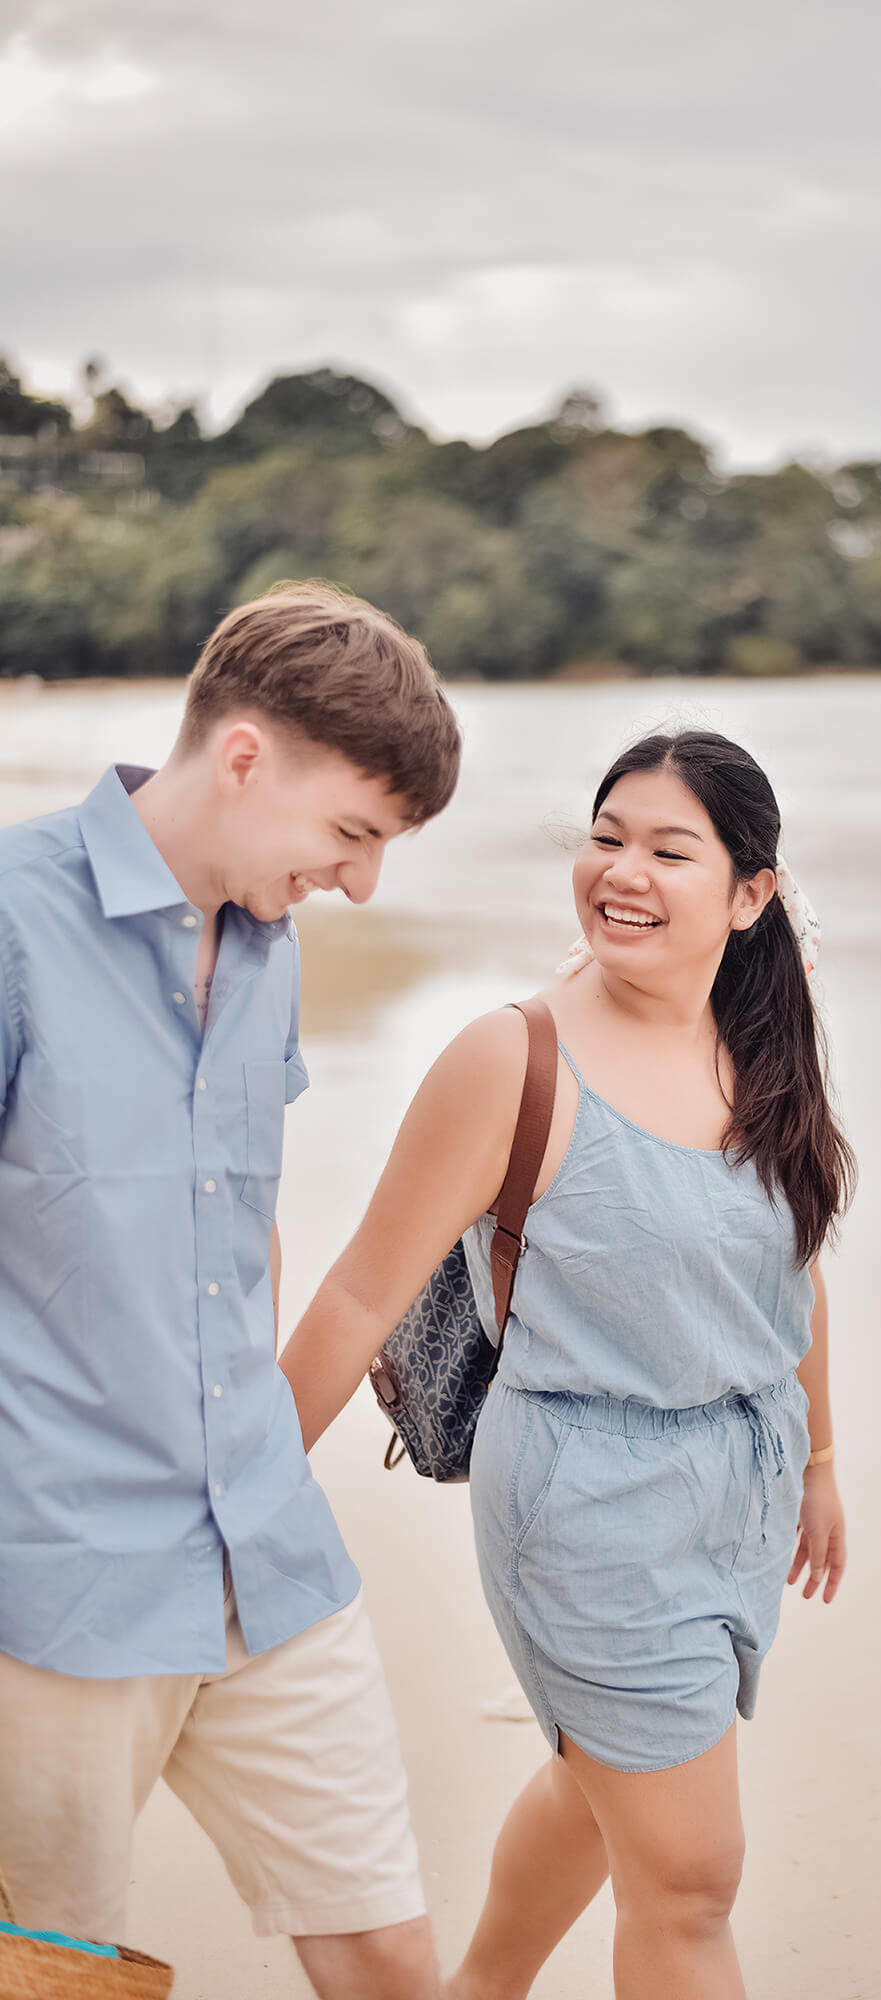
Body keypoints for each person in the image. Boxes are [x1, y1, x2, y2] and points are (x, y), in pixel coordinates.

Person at [280, 727, 855, 2000]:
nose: (622, 872)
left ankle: (477, 1989)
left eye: (667, 848)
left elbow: (792, 1261)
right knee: (692, 1876)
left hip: (740, 1487)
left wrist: (816, 1455)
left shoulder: (760, 1045)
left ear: (750, 894)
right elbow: (361, 1290)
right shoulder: (511, 1057)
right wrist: (238, 1493)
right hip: (586, 1506)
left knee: (606, 1792)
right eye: (604, 839)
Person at [0, 582, 461, 1998]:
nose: (365, 881)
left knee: (386, 1949)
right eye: (352, 835)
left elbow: (241, 1224)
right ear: (247, 758)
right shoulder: (13, 924)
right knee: (56, 1978)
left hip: (267, 1552)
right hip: (54, 1584)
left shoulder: (269, 951)